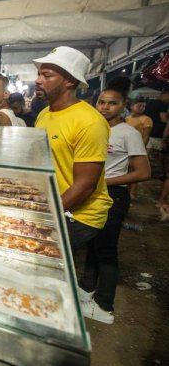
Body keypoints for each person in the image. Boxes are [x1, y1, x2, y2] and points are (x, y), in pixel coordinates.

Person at [79, 77, 150, 324]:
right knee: (92, 241)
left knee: (107, 249)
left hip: (113, 194)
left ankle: (104, 305)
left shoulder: (128, 133)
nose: (105, 107)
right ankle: (87, 288)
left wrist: (105, 182)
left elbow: (143, 172)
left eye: (112, 103)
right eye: (101, 102)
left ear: (123, 106)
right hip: (90, 192)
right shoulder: (93, 127)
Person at [33, 46, 112, 250]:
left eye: (47, 75)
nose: (38, 80)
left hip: (78, 215)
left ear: (70, 81)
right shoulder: (44, 115)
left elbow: (85, 186)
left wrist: (44, 213)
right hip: (53, 203)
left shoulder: (89, 122)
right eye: (39, 74)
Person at [144, 90, 169, 181]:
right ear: (165, 94)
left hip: (148, 131)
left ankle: (143, 171)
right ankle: (161, 174)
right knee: (160, 155)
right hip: (158, 133)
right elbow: (163, 119)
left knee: (146, 153)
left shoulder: (150, 103)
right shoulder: (163, 104)